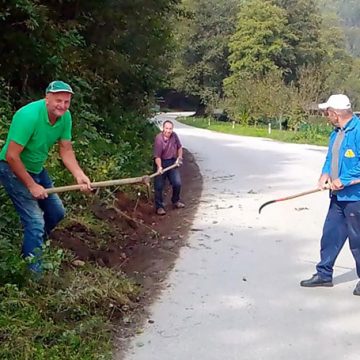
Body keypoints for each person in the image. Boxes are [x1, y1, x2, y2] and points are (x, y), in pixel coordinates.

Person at [0, 80, 91, 272]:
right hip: (11, 168)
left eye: (66, 102)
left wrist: (79, 174)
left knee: (57, 213)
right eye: (58, 100)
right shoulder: (28, 116)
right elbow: (11, 155)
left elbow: (65, 150)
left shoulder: (65, 117)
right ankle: (33, 274)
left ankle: (33, 246)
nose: (63, 106)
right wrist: (32, 185)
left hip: (37, 168)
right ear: (47, 99)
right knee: (35, 221)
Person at [300, 94, 360, 296]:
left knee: (357, 241)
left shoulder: (358, 131)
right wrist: (325, 174)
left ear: (335, 113)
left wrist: (344, 179)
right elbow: (329, 158)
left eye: (327, 112)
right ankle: (324, 274)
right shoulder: (336, 133)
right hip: (337, 198)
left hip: (355, 199)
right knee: (330, 236)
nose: (326, 115)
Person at [153, 120, 184, 215]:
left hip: (172, 162)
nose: (168, 131)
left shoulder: (174, 136)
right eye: (167, 128)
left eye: (170, 129)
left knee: (177, 183)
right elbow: (157, 156)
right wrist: (159, 167)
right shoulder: (159, 139)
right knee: (159, 186)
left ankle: (175, 201)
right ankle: (159, 207)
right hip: (161, 162)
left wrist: (179, 158)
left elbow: (180, 147)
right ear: (163, 128)